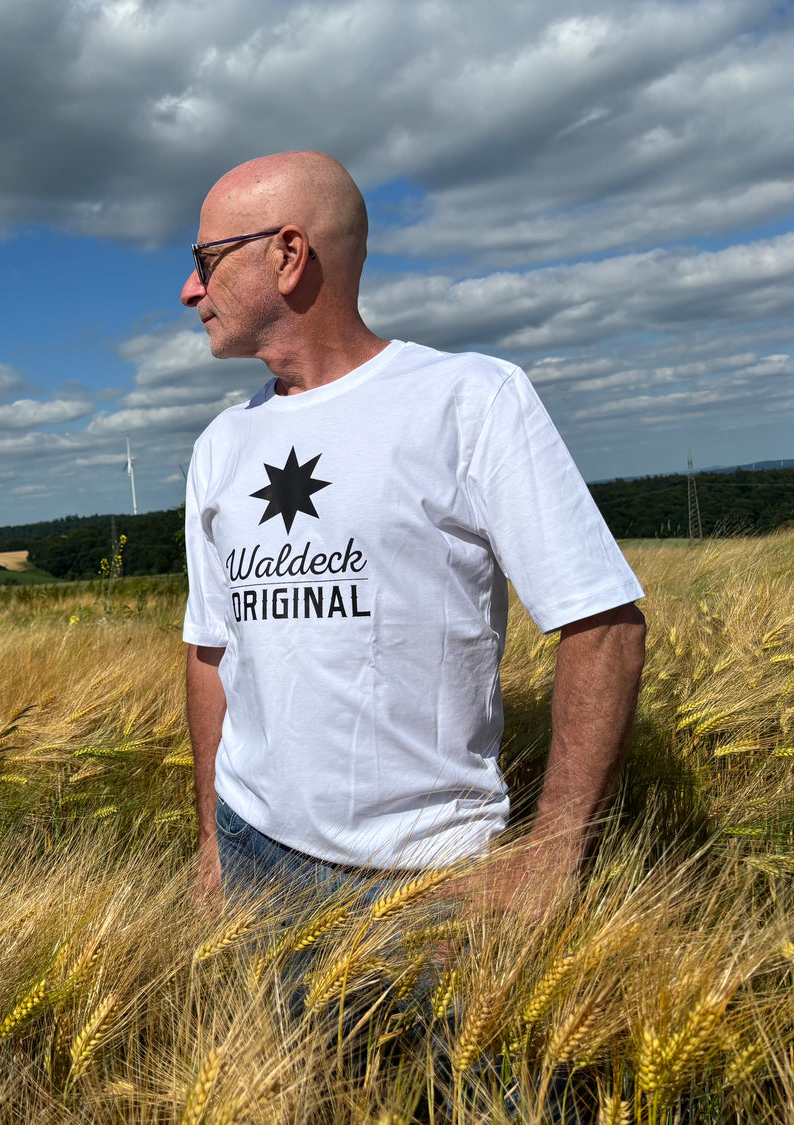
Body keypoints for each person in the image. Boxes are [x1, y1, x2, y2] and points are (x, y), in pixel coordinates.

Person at [180, 152, 647, 918]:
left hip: (425, 883)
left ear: (288, 255)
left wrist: (551, 868)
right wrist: (211, 840)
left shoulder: (469, 400)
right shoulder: (219, 446)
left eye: (207, 259)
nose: (190, 288)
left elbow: (606, 628)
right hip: (248, 847)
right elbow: (210, 652)